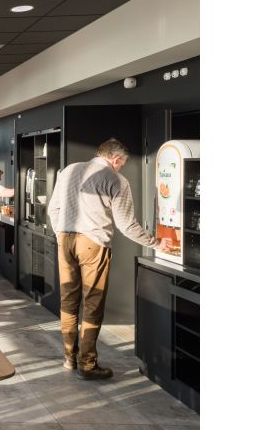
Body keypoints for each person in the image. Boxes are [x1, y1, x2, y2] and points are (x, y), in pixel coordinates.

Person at [47, 138, 177, 381]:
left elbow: (53, 209)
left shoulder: (68, 171)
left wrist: (60, 233)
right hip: (93, 243)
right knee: (92, 303)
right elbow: (126, 225)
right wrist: (155, 242)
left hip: (64, 239)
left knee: (68, 299)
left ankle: (69, 357)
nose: (121, 168)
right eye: (122, 164)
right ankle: (87, 364)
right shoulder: (116, 180)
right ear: (115, 159)